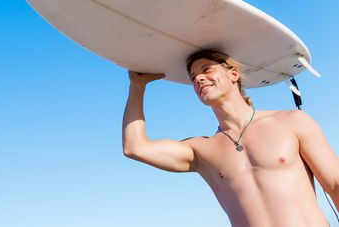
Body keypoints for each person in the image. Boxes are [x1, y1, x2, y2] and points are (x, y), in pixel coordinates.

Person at [122, 49, 339, 226]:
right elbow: (135, 147)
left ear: (233, 74)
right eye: (193, 77)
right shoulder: (202, 150)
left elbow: (335, 184)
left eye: (206, 69)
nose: (198, 78)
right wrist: (137, 86)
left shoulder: (291, 121)